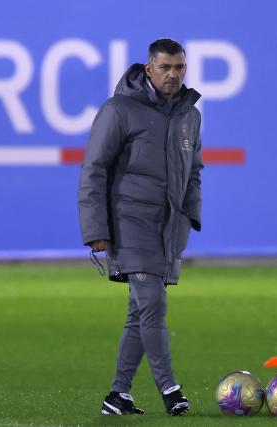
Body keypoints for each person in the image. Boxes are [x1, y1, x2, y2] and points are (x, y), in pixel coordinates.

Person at [78, 38, 203, 416]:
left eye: (179, 67)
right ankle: (171, 390)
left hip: (167, 228)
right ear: (148, 69)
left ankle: (118, 395)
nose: (173, 74)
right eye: (165, 67)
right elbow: (94, 169)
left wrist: (189, 216)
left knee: (138, 313)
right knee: (152, 304)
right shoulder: (119, 109)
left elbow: (193, 170)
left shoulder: (190, 115)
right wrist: (95, 228)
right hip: (128, 223)